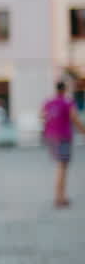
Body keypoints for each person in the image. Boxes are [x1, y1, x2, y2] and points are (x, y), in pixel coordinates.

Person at [42, 80, 85, 208]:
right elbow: (75, 118)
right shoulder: (68, 102)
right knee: (62, 167)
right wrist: (83, 132)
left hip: (51, 137)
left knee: (60, 165)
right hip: (63, 137)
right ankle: (59, 197)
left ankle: (60, 196)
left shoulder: (48, 102)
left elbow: (43, 116)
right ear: (65, 89)